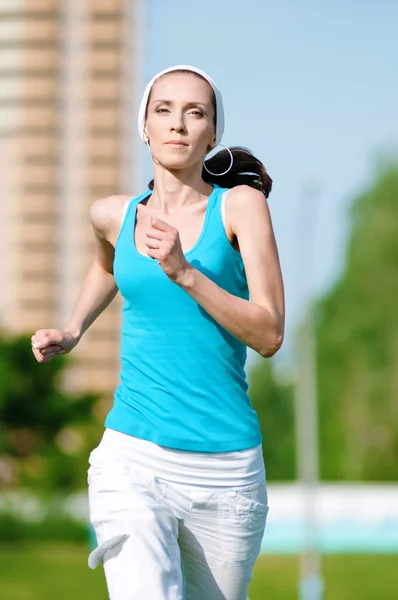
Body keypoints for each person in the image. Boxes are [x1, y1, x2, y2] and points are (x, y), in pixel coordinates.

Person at [31, 64, 285, 600]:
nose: (178, 124)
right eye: (163, 110)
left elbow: (269, 334)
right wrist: (74, 328)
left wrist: (185, 273)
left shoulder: (241, 207)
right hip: (134, 454)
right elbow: (106, 267)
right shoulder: (111, 216)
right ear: (143, 126)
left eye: (195, 113)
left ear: (212, 133)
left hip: (227, 470)